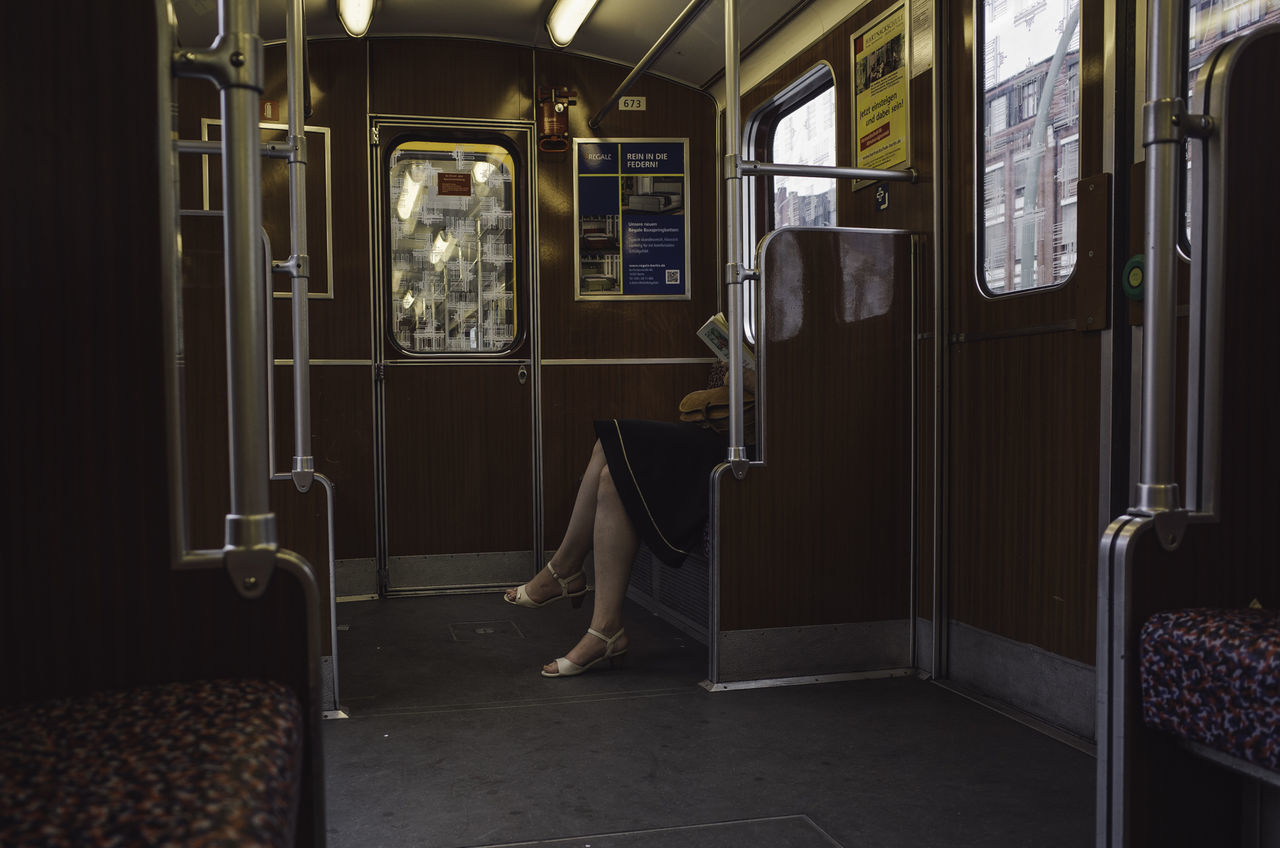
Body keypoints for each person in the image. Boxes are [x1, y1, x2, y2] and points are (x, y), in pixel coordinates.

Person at [504, 367, 754, 678]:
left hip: (752, 447)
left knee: (615, 451)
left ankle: (567, 574)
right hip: (719, 433)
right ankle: (602, 624)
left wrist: (749, 377)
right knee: (610, 468)